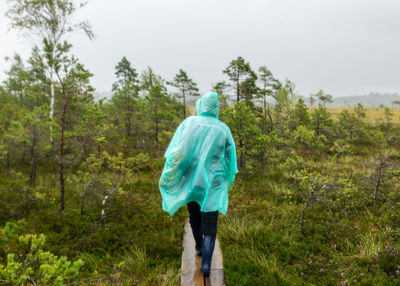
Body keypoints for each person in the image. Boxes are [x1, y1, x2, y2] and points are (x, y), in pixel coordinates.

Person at [159, 91, 238, 276]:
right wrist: (227, 179)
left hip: (192, 182)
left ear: (201, 106)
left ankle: (200, 249)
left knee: (193, 216)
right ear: (216, 108)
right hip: (214, 184)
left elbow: (176, 152)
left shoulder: (188, 123)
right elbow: (230, 160)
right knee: (211, 222)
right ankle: (207, 265)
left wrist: (169, 175)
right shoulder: (223, 129)